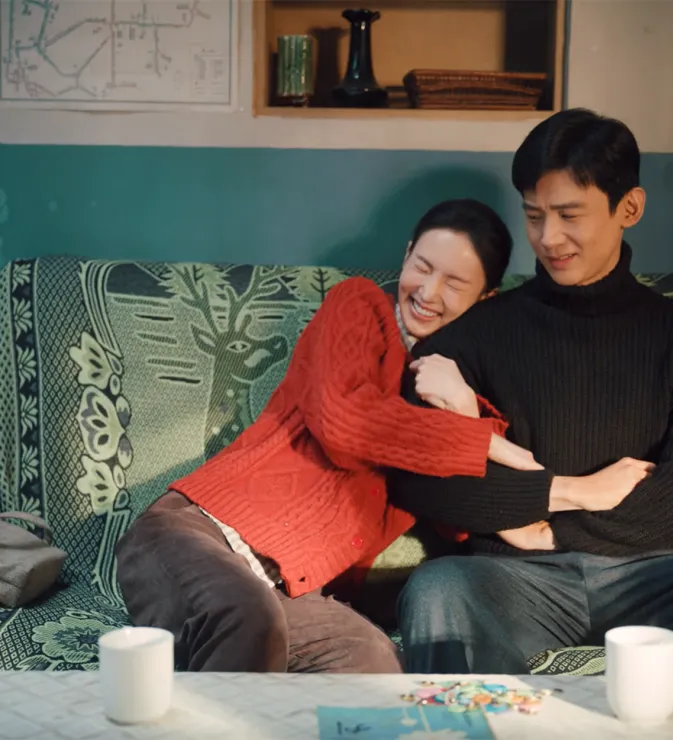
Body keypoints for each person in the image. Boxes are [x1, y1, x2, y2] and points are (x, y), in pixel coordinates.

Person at [389, 109, 673, 677]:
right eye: (534, 215)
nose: (548, 238)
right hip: (515, 580)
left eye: (569, 214)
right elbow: (420, 479)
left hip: (659, 578)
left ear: (630, 208)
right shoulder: (474, 335)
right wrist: (567, 496)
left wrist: (542, 525)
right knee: (438, 588)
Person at [115, 199, 539, 674]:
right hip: (194, 535)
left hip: (290, 592)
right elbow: (344, 423)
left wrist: (461, 406)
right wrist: (478, 442)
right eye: (422, 266)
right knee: (247, 619)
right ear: (406, 255)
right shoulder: (359, 306)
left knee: (374, 662)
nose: (428, 291)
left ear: (485, 298)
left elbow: (460, 515)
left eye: (455, 283)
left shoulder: (463, 390)